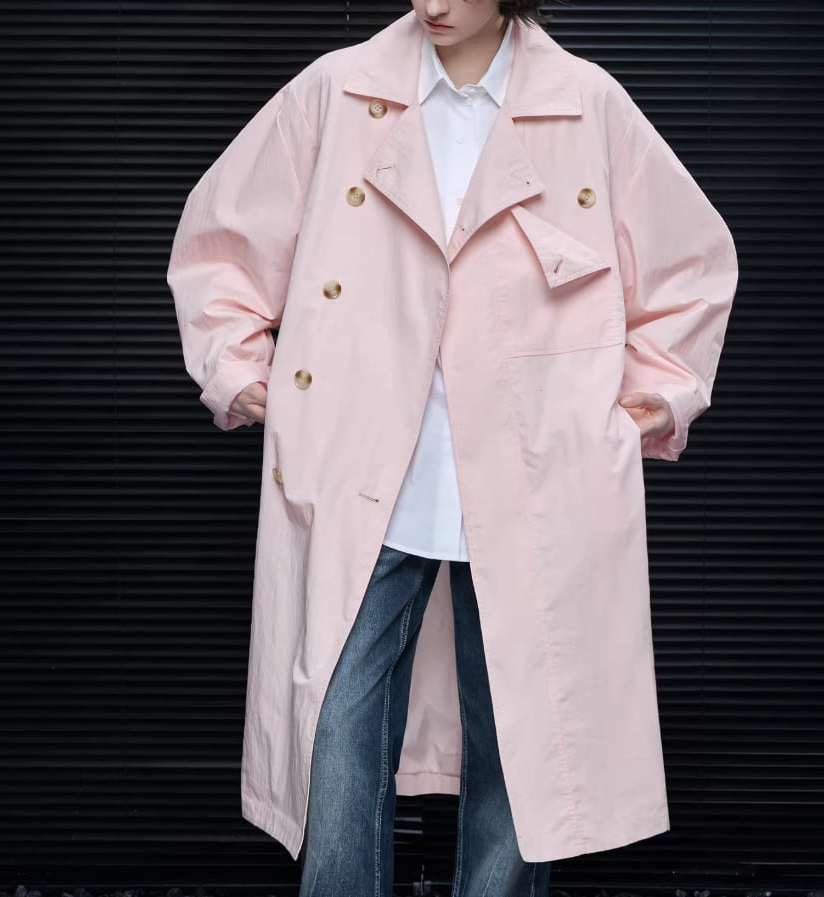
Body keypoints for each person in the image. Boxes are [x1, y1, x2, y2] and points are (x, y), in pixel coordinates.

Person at [166, 0, 739, 894]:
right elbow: (221, 243)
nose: (432, 5)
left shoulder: (584, 102)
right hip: (364, 461)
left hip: (531, 470)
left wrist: (645, 402)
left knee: (522, 731)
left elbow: (690, 262)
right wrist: (241, 371)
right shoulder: (337, 90)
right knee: (335, 723)